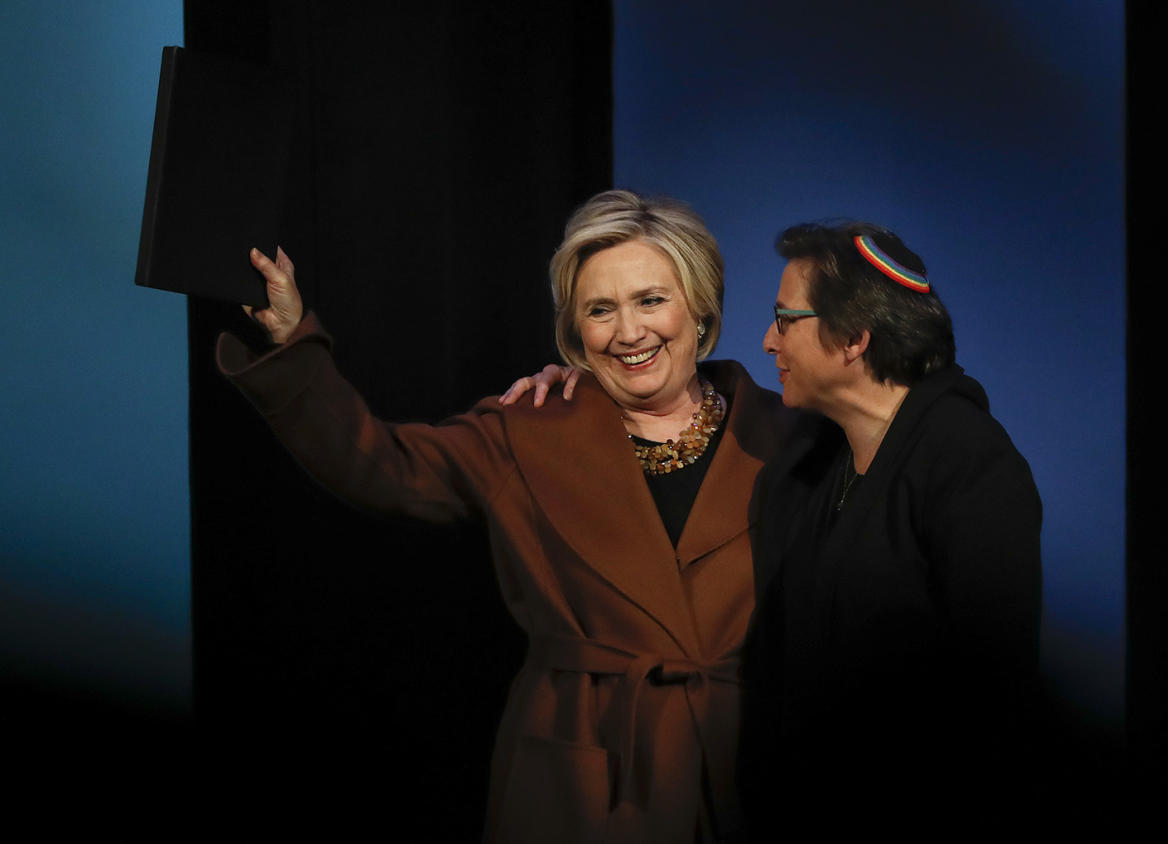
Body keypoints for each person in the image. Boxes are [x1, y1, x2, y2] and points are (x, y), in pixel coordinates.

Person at [217, 190, 794, 843]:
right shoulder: (528, 430)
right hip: (585, 779)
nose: (629, 332)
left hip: (747, 768)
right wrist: (293, 338)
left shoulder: (788, 437)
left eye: (651, 300)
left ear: (701, 307)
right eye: (600, 310)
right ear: (575, 331)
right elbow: (382, 465)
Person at [738, 221, 1042, 828]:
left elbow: (991, 697)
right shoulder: (812, 462)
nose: (769, 341)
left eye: (784, 319)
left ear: (853, 337)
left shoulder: (970, 462)